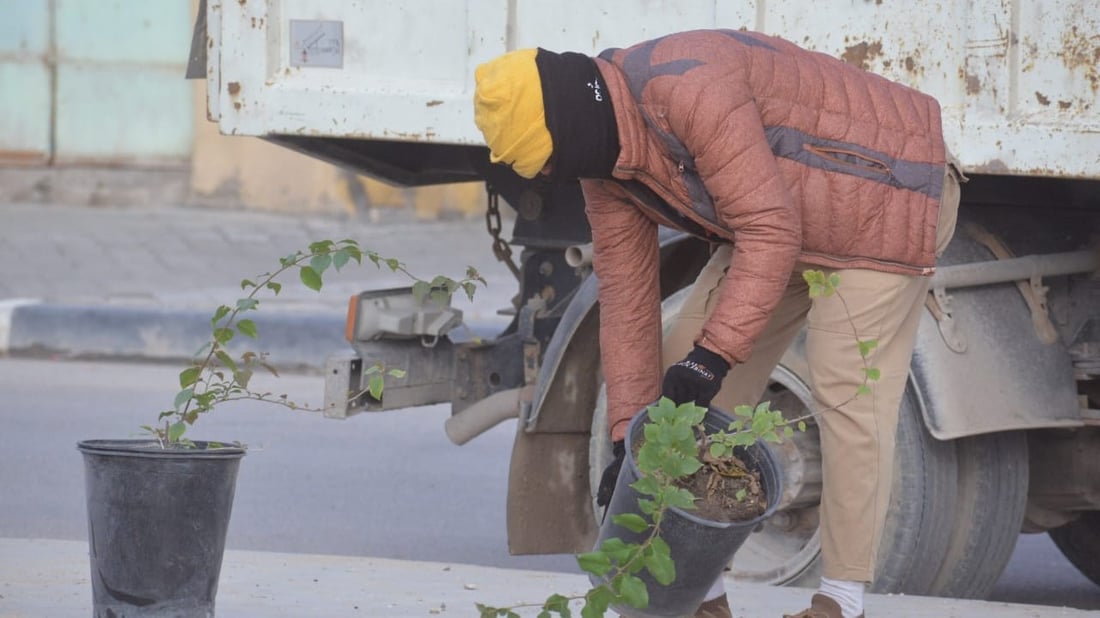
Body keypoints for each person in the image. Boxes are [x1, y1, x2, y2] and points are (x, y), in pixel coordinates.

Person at [472, 29, 962, 618]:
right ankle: (702, 595)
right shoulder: (602, 166)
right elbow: (628, 299)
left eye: (548, 160)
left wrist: (715, 355)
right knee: (679, 378)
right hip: (789, 211)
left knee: (845, 390)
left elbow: (769, 231)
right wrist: (630, 439)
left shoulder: (686, 87)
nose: (551, 176)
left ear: (572, 125)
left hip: (887, 194)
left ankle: (841, 600)